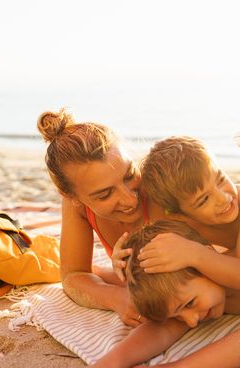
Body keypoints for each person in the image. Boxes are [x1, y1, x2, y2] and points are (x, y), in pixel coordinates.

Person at [91, 219, 240, 368]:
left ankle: (98, 271)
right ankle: (97, 271)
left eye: (188, 304)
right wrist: (110, 362)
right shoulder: (196, 294)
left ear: (205, 259)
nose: (191, 322)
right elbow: (163, 330)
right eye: (179, 315)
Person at [112, 135, 240, 291]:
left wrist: (195, 253)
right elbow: (154, 251)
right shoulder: (184, 224)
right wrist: (124, 259)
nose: (223, 198)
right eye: (204, 199)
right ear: (180, 214)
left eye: (220, 179)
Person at [37, 109, 167, 327]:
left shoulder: (159, 186)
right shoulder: (76, 205)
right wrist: (118, 299)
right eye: (105, 194)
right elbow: (73, 275)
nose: (129, 200)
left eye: (129, 175)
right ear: (72, 197)